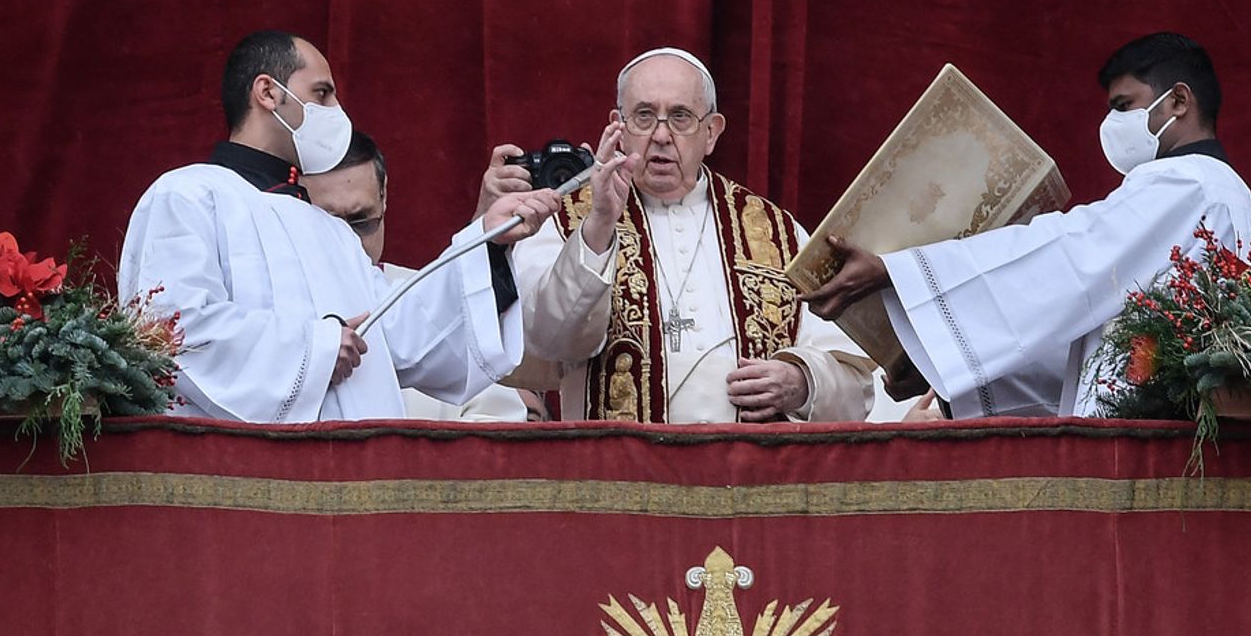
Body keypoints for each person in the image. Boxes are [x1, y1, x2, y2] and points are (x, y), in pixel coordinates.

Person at [802, 32, 1251, 418]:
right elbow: (1090, 351)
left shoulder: (1188, 184)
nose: (1111, 123)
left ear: (1179, 101)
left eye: (1124, 105)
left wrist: (899, 271)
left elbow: (1071, 256)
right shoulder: (1213, 190)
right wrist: (945, 367)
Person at [118, 29, 558, 423]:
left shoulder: (327, 228)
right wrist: (315, 349)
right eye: (322, 93)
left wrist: (488, 241)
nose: (336, 111)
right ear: (268, 93)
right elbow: (171, 333)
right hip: (243, 474)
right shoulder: (189, 193)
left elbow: (406, 333)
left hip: (354, 475)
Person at [486, 46, 875, 423]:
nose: (661, 135)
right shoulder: (566, 219)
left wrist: (801, 382)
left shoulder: (777, 233)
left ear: (711, 132)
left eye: (681, 117)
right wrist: (599, 225)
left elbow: (855, 386)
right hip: (620, 465)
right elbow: (550, 341)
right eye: (644, 116)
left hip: (751, 466)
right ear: (619, 127)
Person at [303, 129, 547, 423]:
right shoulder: (275, 317)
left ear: (384, 198)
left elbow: (496, 420)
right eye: (330, 226)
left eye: (361, 222)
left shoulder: (429, 304)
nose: (350, 243)